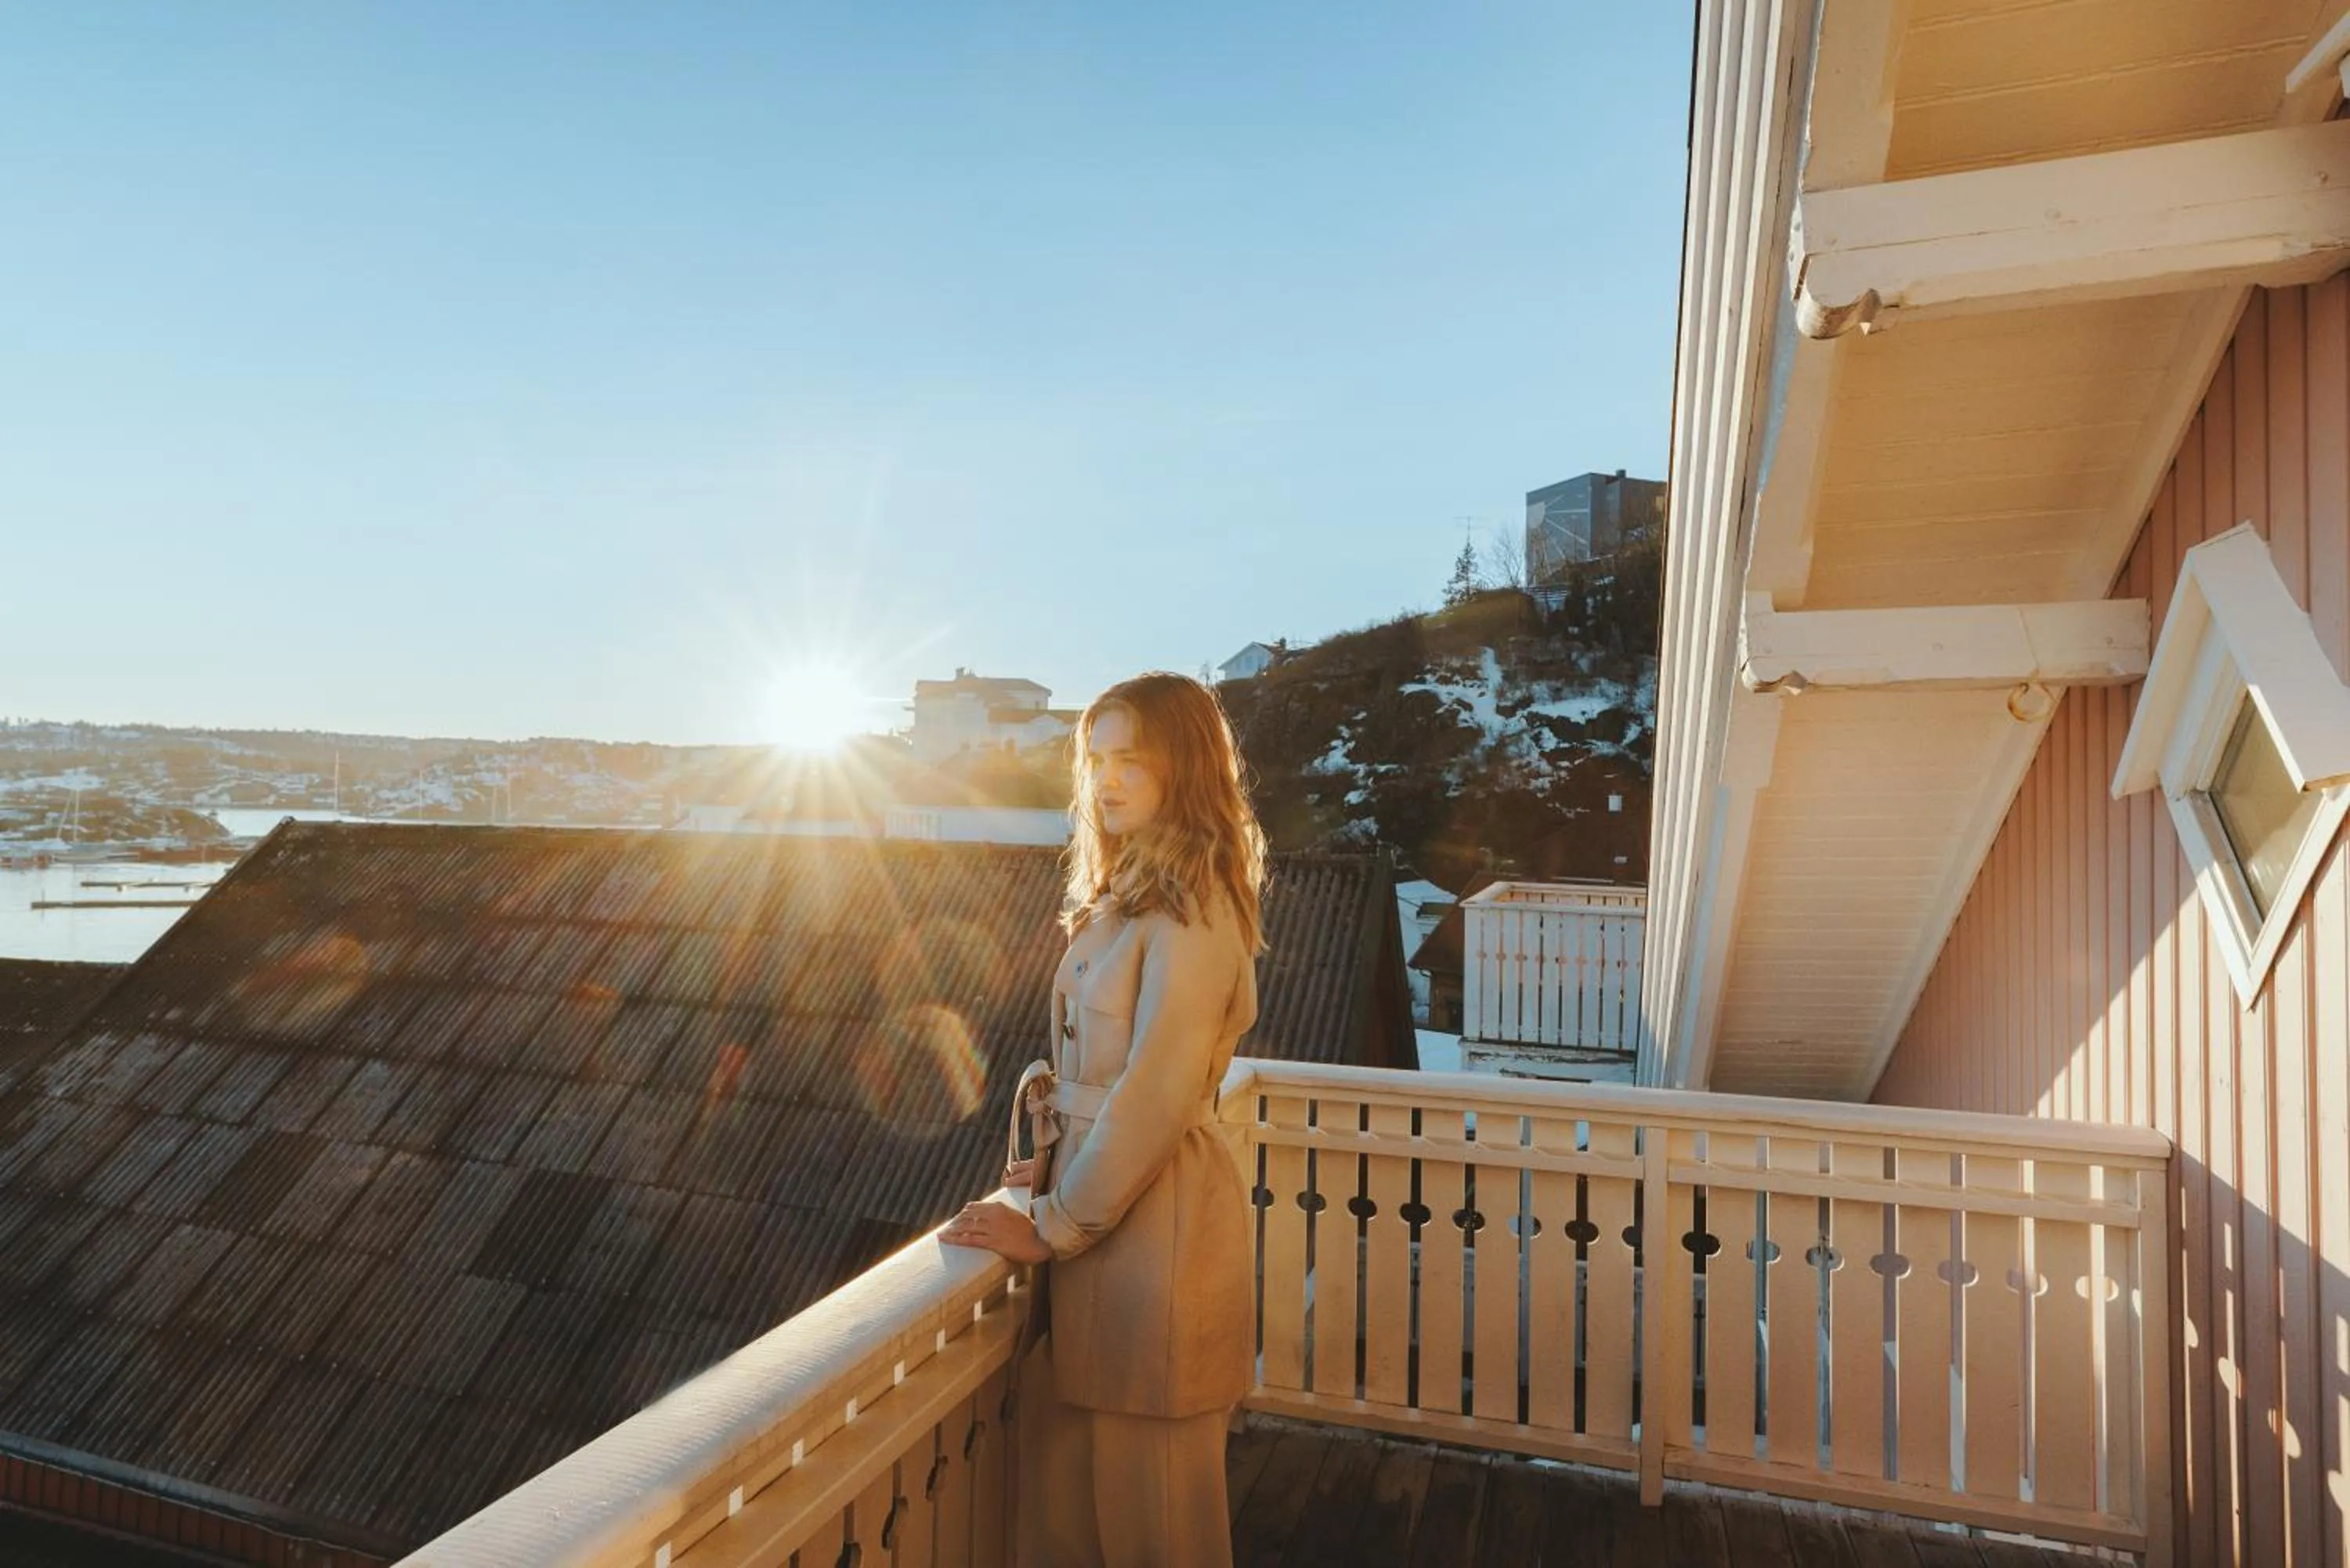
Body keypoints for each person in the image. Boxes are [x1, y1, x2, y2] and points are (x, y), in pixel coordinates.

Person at [940, 670, 1266, 1568]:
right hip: (1105, 1224)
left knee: (1154, 1522)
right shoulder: (1133, 894)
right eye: (1097, 759)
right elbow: (1106, 1077)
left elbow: (1157, 1089)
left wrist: (1054, 1221)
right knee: (1076, 1514)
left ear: (1184, 768)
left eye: (1133, 759)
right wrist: (1055, 1163)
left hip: (1155, 1241)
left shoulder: (1195, 907)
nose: (1107, 779)